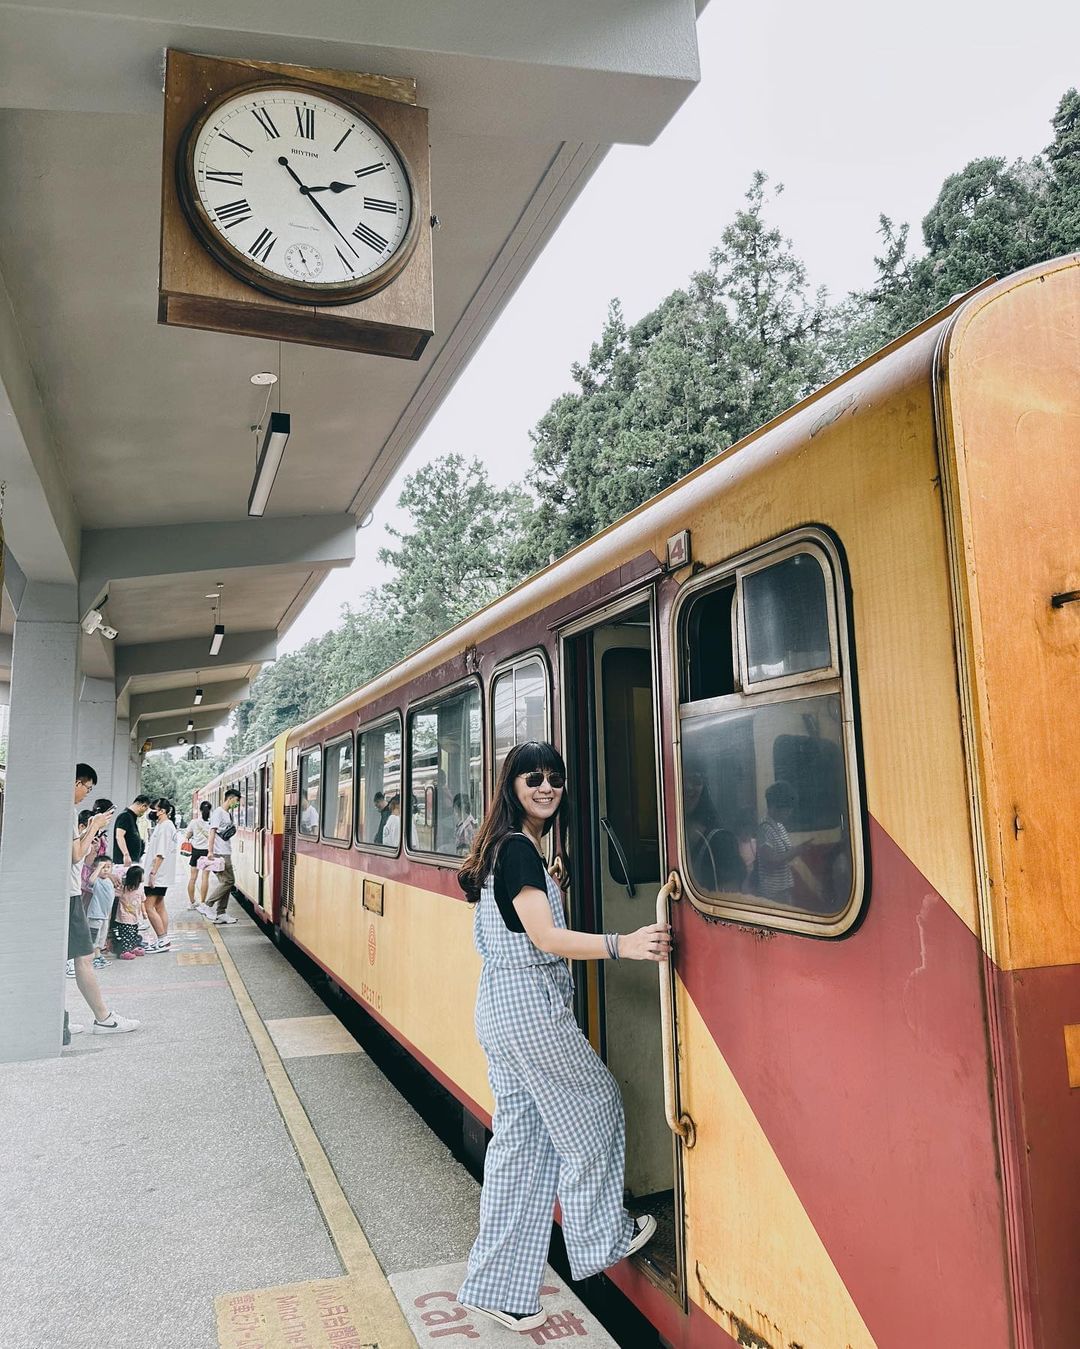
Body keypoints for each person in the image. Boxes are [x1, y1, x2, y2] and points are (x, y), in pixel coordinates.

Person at [456, 741, 670, 1333]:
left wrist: (550, 879)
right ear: (512, 785)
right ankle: (604, 1234)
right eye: (533, 778)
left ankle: (500, 1288)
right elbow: (546, 940)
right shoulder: (521, 852)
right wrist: (622, 944)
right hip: (530, 1008)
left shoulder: (504, 849)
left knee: (521, 1149)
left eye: (554, 778)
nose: (546, 787)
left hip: (499, 1007)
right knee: (596, 1105)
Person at [68, 764, 139, 1039]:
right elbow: (76, 855)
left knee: (74, 958)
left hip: (67, 893)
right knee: (84, 957)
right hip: (69, 893)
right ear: (76, 782)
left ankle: (57, 1019)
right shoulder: (68, 811)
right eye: (87, 787)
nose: (87, 793)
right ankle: (103, 1018)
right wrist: (94, 826)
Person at [756, 781, 813, 905]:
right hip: (772, 893)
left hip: (784, 888)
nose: (789, 813)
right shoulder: (764, 829)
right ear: (774, 807)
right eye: (786, 809)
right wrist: (796, 850)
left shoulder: (780, 826)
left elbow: (786, 852)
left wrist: (800, 848)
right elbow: (770, 860)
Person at [200, 787, 240, 925]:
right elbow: (212, 832)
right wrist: (210, 851)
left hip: (226, 851)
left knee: (226, 883)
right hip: (219, 852)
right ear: (230, 798)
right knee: (228, 881)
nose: (237, 803)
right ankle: (207, 905)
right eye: (237, 800)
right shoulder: (218, 813)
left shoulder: (227, 813)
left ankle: (221, 913)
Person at [143, 798, 178, 951]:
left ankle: (163, 939)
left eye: (153, 809)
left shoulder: (165, 827)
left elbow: (160, 853)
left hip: (158, 874)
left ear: (162, 811)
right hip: (162, 873)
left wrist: (153, 872)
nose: (151, 812)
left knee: (148, 906)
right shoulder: (165, 826)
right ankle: (163, 938)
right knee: (159, 905)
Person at [111, 865, 146, 959]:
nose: (144, 877)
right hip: (124, 916)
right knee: (126, 934)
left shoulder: (140, 888)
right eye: (142, 875)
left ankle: (132, 948)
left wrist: (144, 913)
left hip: (135, 916)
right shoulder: (123, 888)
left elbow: (142, 901)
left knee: (134, 932)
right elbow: (114, 893)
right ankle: (124, 951)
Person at [85, 857, 115, 969]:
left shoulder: (109, 881)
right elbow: (90, 881)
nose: (106, 870)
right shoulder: (97, 880)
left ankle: (98, 956)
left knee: (101, 938)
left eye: (108, 867)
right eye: (103, 868)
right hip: (95, 915)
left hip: (105, 916)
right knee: (94, 938)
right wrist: (98, 868)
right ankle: (93, 958)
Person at [184, 800, 212, 909]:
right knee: (205, 878)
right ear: (210, 810)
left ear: (200, 810)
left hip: (196, 851)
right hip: (207, 852)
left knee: (193, 878)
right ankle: (203, 903)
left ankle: (192, 903)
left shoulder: (194, 822)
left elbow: (187, 835)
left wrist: (188, 840)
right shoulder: (211, 823)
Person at [112, 794, 150, 867]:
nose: (144, 813)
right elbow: (119, 836)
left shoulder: (132, 818)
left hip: (132, 860)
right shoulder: (125, 816)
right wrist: (126, 854)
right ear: (143, 806)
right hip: (124, 862)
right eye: (145, 809)